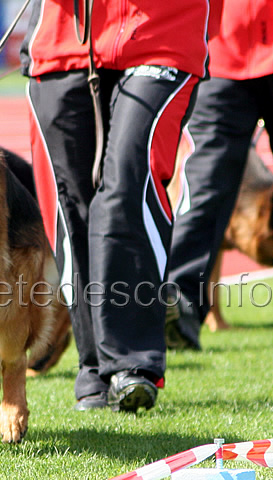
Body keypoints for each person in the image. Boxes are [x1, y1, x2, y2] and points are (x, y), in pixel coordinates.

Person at [20, 0, 210, 411]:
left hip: (161, 30)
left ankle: (132, 364)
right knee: (71, 209)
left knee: (127, 186)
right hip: (60, 39)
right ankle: (94, 370)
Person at [166, 0, 273, 350]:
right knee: (202, 193)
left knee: (202, 194)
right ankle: (177, 312)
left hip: (228, 51)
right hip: (222, 54)